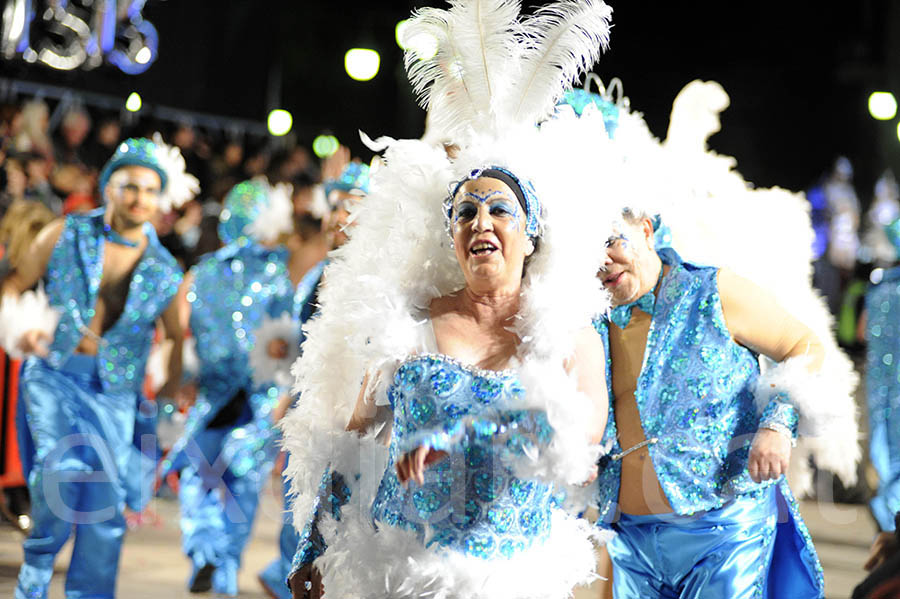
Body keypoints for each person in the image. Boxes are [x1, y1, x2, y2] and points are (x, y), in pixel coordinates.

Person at [281, 1, 619, 597]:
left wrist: (462, 436)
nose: (479, 221)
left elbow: (577, 448)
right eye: (464, 211)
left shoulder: (572, 335)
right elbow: (351, 441)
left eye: (499, 210)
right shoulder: (409, 324)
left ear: (531, 233)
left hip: (516, 580)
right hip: (401, 573)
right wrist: (316, 545)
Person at [586, 79, 859, 598]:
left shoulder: (713, 291)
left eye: (612, 241)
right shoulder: (588, 321)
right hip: (629, 543)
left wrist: (779, 424)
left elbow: (805, 346)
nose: (603, 261)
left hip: (723, 533)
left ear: (646, 229)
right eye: (588, 250)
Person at [1, 136, 198, 599]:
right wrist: (20, 328)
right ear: (109, 187)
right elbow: (13, 283)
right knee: (60, 470)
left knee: (105, 506)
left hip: (116, 392)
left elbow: (173, 335)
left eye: (151, 191)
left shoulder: (165, 270)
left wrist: (168, 393)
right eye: (130, 186)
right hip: (53, 375)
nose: (140, 199)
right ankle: (36, 571)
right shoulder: (65, 232)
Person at [164, 178, 297, 596]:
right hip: (248, 397)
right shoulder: (278, 271)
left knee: (198, 477)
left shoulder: (202, 272)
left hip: (225, 395)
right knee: (239, 488)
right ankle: (221, 567)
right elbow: (285, 342)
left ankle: (207, 552)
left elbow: (188, 336)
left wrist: (186, 378)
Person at [257, 159, 368, 599]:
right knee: (299, 513)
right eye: (335, 206)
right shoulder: (320, 274)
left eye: (352, 208)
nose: (340, 217)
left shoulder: (379, 281)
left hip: (354, 419)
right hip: (311, 414)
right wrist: (287, 391)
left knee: (340, 528)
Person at [864, 218, 900, 532]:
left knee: (886, 449)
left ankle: (888, 517)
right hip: (886, 383)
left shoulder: (878, 287)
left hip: (881, 385)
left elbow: (864, 332)